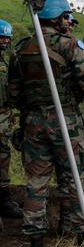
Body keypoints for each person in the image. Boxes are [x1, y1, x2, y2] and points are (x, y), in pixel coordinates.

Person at [8, 0, 84, 247]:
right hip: (65, 120)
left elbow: (14, 94)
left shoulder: (21, 48)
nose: (68, 21)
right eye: (66, 16)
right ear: (58, 18)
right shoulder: (69, 45)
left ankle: (36, 237)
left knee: (36, 182)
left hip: (33, 122)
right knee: (75, 178)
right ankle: (80, 234)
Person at [0, 19, 23, 221]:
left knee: (4, 156)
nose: (5, 41)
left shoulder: (5, 61)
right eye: (1, 37)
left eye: (7, 37)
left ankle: (4, 200)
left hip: (4, 116)